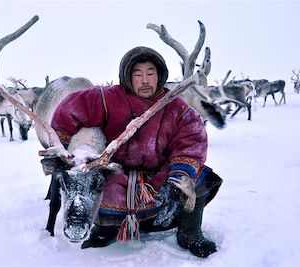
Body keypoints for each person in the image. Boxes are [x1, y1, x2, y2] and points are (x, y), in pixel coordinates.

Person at [44, 46, 223, 258]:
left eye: (150, 73)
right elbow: (69, 110)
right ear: (128, 76)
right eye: (138, 74)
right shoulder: (108, 99)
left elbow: (191, 142)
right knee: (97, 183)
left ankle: (189, 233)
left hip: (161, 176)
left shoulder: (177, 109)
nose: (145, 80)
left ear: (160, 75)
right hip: (120, 173)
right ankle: (105, 230)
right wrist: (62, 150)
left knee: (197, 180)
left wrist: (175, 181)